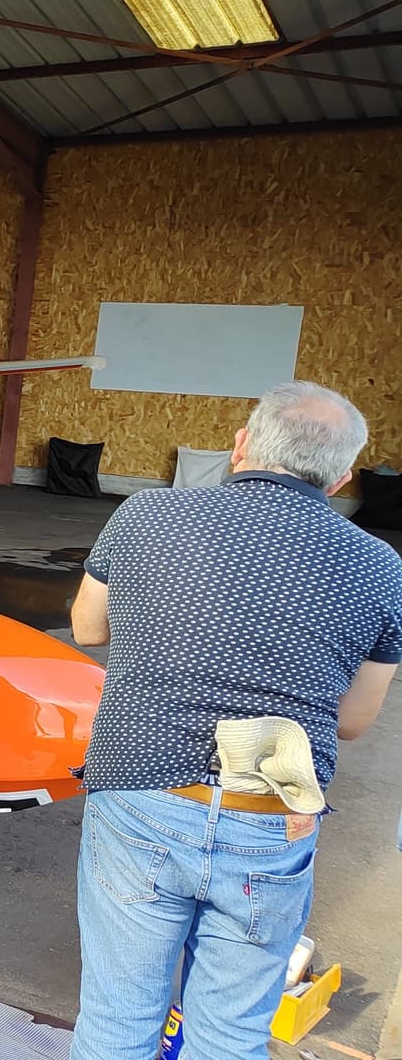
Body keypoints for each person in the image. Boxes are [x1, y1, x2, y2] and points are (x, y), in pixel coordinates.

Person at [66, 381, 401, 1060]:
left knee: (117, 1020)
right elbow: (354, 720)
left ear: (241, 444)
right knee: (231, 1035)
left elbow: (87, 627)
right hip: (271, 813)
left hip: (141, 790)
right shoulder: (379, 565)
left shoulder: (145, 513)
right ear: (341, 478)